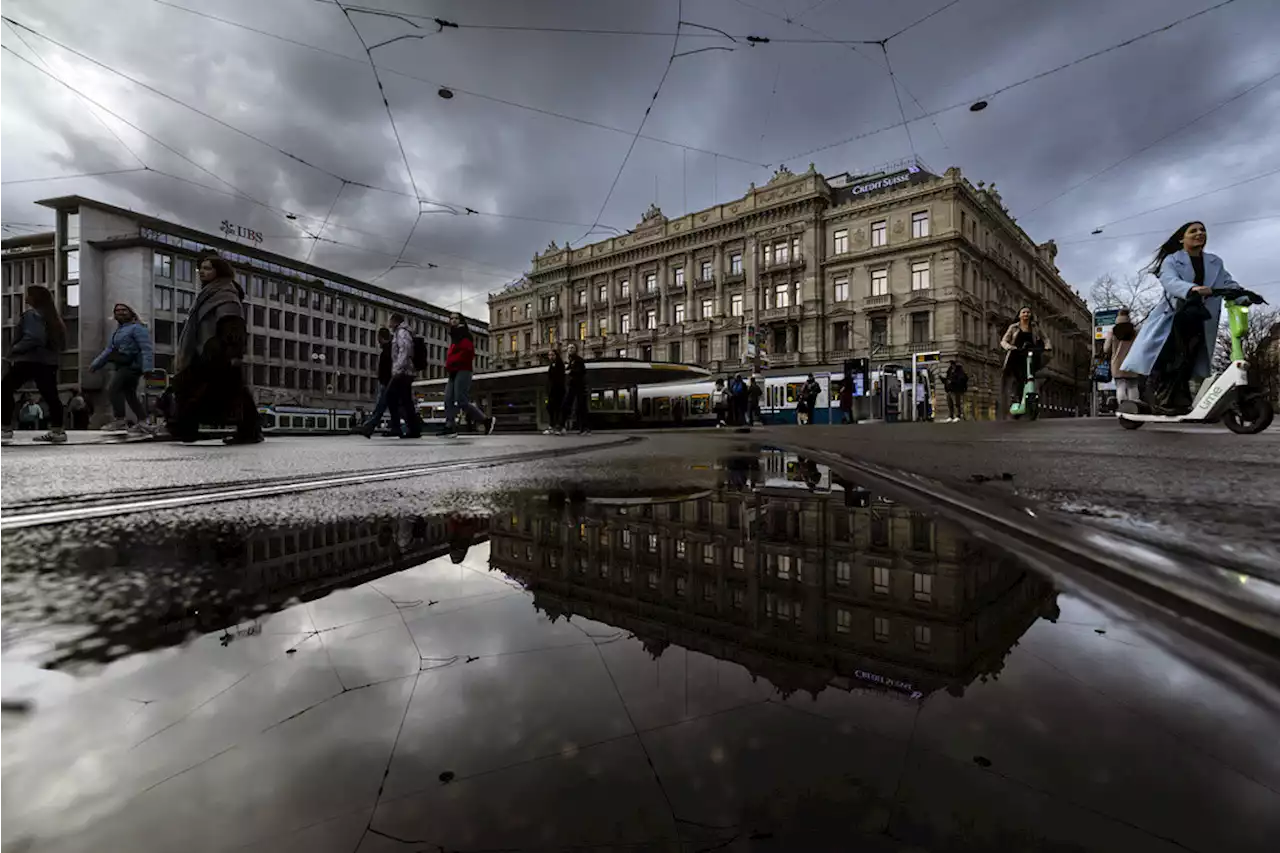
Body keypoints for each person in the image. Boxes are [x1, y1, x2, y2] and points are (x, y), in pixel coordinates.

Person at [1121, 221, 1235, 414]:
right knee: (1173, 357)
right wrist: (1191, 289)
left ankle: (1180, 400)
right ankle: (1161, 397)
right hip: (1176, 316)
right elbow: (1169, 280)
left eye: (1202, 230)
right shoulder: (1172, 260)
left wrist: (1243, 294)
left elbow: (1228, 282)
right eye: (1194, 231)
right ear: (1182, 238)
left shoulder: (1215, 262)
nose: (1200, 233)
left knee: (1189, 358)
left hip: (1200, 317)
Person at [168, 255, 262, 444]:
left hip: (217, 350)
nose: (202, 272)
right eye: (201, 269)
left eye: (208, 268)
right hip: (205, 349)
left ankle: (248, 431)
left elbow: (232, 323)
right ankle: (186, 429)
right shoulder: (208, 293)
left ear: (219, 271)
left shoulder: (225, 293)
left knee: (228, 391)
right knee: (195, 387)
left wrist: (233, 352)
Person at [0, 285, 67, 445]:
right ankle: (58, 431)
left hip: (29, 360)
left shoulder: (32, 315)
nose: (25, 297)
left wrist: (13, 351)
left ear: (34, 298)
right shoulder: (52, 317)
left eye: (28, 294)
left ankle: (5, 429)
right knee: (51, 395)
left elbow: (34, 337)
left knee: (4, 389)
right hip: (48, 361)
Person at [90, 303, 155, 434]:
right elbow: (109, 351)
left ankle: (120, 420)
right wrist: (96, 364)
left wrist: (148, 368)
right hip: (122, 365)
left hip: (132, 366)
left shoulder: (137, 328)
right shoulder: (117, 332)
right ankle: (143, 422)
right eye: (117, 311)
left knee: (113, 389)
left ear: (131, 312)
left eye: (124, 310)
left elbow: (146, 349)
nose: (120, 312)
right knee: (130, 394)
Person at [441, 312, 494, 438]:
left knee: (461, 400)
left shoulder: (465, 335)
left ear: (461, 321)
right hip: (453, 370)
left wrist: (453, 362)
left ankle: (485, 420)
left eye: (456, 318)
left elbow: (468, 352)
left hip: (463, 370)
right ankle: (450, 426)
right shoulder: (454, 336)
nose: (453, 320)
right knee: (448, 398)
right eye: (451, 318)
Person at [999, 307, 1052, 420]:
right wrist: (1010, 347)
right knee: (1019, 378)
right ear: (1019, 315)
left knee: (1031, 376)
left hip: (1031, 353)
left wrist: (1047, 347)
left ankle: (1032, 399)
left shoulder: (1035, 327)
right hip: (1017, 355)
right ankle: (1016, 398)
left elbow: (1045, 338)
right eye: (1023, 312)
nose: (1026, 314)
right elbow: (1004, 341)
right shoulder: (1014, 327)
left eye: (1028, 312)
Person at [387, 313, 424, 439]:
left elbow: (405, 350)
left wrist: (398, 368)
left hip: (403, 371)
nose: (389, 325)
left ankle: (399, 427)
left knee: (391, 395)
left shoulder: (401, 332)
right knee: (405, 400)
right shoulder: (402, 332)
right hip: (406, 371)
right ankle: (412, 428)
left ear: (395, 321)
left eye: (390, 322)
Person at [359, 327, 394, 438]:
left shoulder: (388, 350)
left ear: (380, 337)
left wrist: (383, 380)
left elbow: (386, 368)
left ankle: (369, 427)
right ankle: (398, 427)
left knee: (380, 406)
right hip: (390, 381)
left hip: (387, 382)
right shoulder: (390, 349)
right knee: (393, 407)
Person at [1104, 308, 1141, 408]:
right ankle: (1135, 408)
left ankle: (1124, 408)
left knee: (1120, 386)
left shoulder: (1112, 331)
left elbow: (1106, 348)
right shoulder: (1135, 331)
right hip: (1132, 362)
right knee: (1133, 386)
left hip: (1117, 363)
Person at [562, 343, 589, 434]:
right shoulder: (570, 361)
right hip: (572, 386)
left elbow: (582, 371)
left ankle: (584, 428)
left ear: (575, 350)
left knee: (581, 407)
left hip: (579, 386)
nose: (570, 349)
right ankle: (562, 425)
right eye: (568, 348)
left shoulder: (579, 360)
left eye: (572, 348)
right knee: (567, 404)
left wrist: (570, 371)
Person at [544, 346, 565, 435]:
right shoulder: (552, 365)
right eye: (549, 355)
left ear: (556, 355)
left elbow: (558, 378)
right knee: (551, 408)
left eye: (552, 355)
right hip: (552, 390)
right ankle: (553, 426)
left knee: (556, 409)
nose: (550, 357)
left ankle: (558, 427)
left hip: (558, 390)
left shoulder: (559, 364)